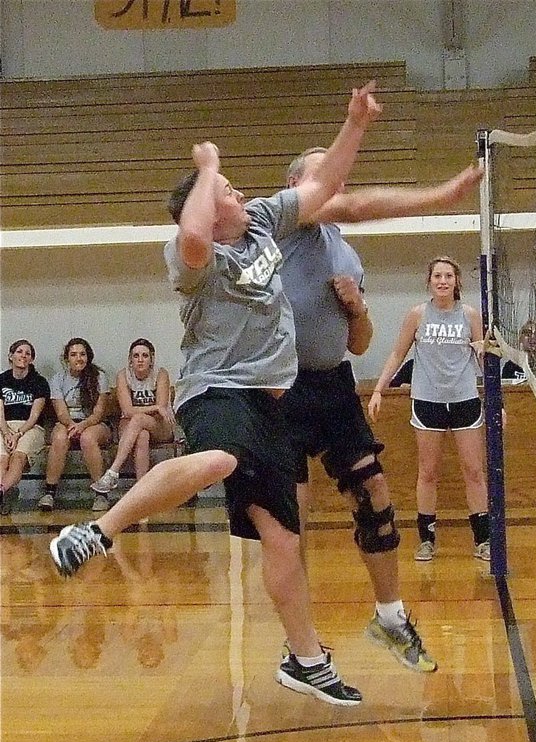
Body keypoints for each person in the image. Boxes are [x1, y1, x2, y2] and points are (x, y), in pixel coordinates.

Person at [49, 81, 382, 706]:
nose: (239, 193)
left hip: (271, 406)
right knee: (220, 457)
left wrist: (355, 124)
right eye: (228, 191)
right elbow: (196, 236)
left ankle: (306, 661)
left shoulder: (263, 224)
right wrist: (207, 170)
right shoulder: (190, 258)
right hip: (217, 391)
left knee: (283, 540)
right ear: (205, 206)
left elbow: (325, 184)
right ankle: (97, 530)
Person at [278, 147, 482, 673]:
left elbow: (361, 343)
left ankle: (390, 618)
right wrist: (441, 195)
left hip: (333, 385)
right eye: (323, 173)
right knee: (290, 523)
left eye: (339, 173)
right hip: (278, 390)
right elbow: (349, 205)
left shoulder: (346, 253)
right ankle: (299, 645)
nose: (336, 181)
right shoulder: (279, 225)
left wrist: (357, 307)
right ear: (295, 185)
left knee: (375, 495)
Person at [368, 256, 490, 563]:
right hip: (427, 401)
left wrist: (495, 399)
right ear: (430, 281)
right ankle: (426, 539)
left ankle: (483, 539)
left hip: (464, 400)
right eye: (438, 276)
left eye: (448, 276)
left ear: (456, 281)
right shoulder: (417, 315)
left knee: (474, 471)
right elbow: (397, 354)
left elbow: (483, 359)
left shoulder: (470, 315)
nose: (443, 281)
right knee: (428, 471)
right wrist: (379, 390)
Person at [91, 338, 176, 496]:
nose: (140, 360)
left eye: (145, 355)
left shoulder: (161, 374)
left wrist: (155, 408)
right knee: (142, 435)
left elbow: (162, 407)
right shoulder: (123, 376)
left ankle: (113, 472)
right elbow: (127, 410)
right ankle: (141, 491)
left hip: (160, 424)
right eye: (136, 356)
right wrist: (154, 407)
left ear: (152, 359)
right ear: (130, 360)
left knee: (139, 419)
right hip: (130, 423)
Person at [39, 337, 112, 513]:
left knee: (87, 438)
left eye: (82, 354)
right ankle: (49, 493)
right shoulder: (58, 379)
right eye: (73, 354)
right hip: (68, 422)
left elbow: (99, 413)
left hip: (94, 423)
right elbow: (61, 412)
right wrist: (72, 425)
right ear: (66, 359)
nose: (78, 358)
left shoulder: (99, 377)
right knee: (59, 437)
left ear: (88, 357)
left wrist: (82, 426)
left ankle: (101, 494)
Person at [0, 339, 51, 515]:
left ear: (31, 359)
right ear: (11, 356)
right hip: (5, 426)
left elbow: (34, 416)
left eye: (27, 353)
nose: (23, 356)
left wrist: (17, 435)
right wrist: (6, 433)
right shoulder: (2, 380)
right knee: (2, 459)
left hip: (30, 428)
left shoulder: (39, 382)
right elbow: (0, 413)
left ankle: (2, 490)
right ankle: (6, 493)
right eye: (19, 352)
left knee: (18, 457)